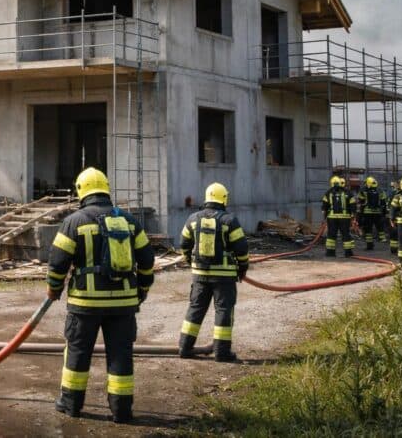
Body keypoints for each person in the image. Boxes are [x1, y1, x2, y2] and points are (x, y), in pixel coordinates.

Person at [46, 167, 154, 424]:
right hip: (124, 304)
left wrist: (54, 287)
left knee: (78, 351)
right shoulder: (129, 222)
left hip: (85, 304)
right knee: (120, 354)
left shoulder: (74, 221)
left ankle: (71, 405)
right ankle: (122, 410)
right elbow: (147, 260)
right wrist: (142, 289)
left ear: (81, 191)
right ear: (106, 189)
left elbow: (58, 261)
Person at [178, 182, 250, 363]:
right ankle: (222, 352)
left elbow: (184, 244)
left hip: (200, 275)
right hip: (224, 277)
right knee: (223, 310)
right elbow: (241, 248)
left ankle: (185, 347)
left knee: (196, 309)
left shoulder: (193, 219)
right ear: (224, 199)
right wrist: (242, 268)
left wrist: (190, 262)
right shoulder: (229, 220)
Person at [321, 176, 356, 257]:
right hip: (345, 218)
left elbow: (324, 207)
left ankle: (330, 253)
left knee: (331, 235)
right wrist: (353, 216)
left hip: (332, 218)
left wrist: (324, 218)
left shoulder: (328, 192)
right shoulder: (347, 192)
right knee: (346, 234)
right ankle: (348, 253)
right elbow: (353, 205)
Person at [356, 176, 387, 251]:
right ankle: (382, 238)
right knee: (379, 227)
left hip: (367, 212)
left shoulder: (363, 190)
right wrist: (383, 212)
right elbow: (384, 202)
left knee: (368, 229)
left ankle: (369, 245)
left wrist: (361, 211)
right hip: (378, 212)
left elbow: (360, 200)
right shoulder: (380, 190)